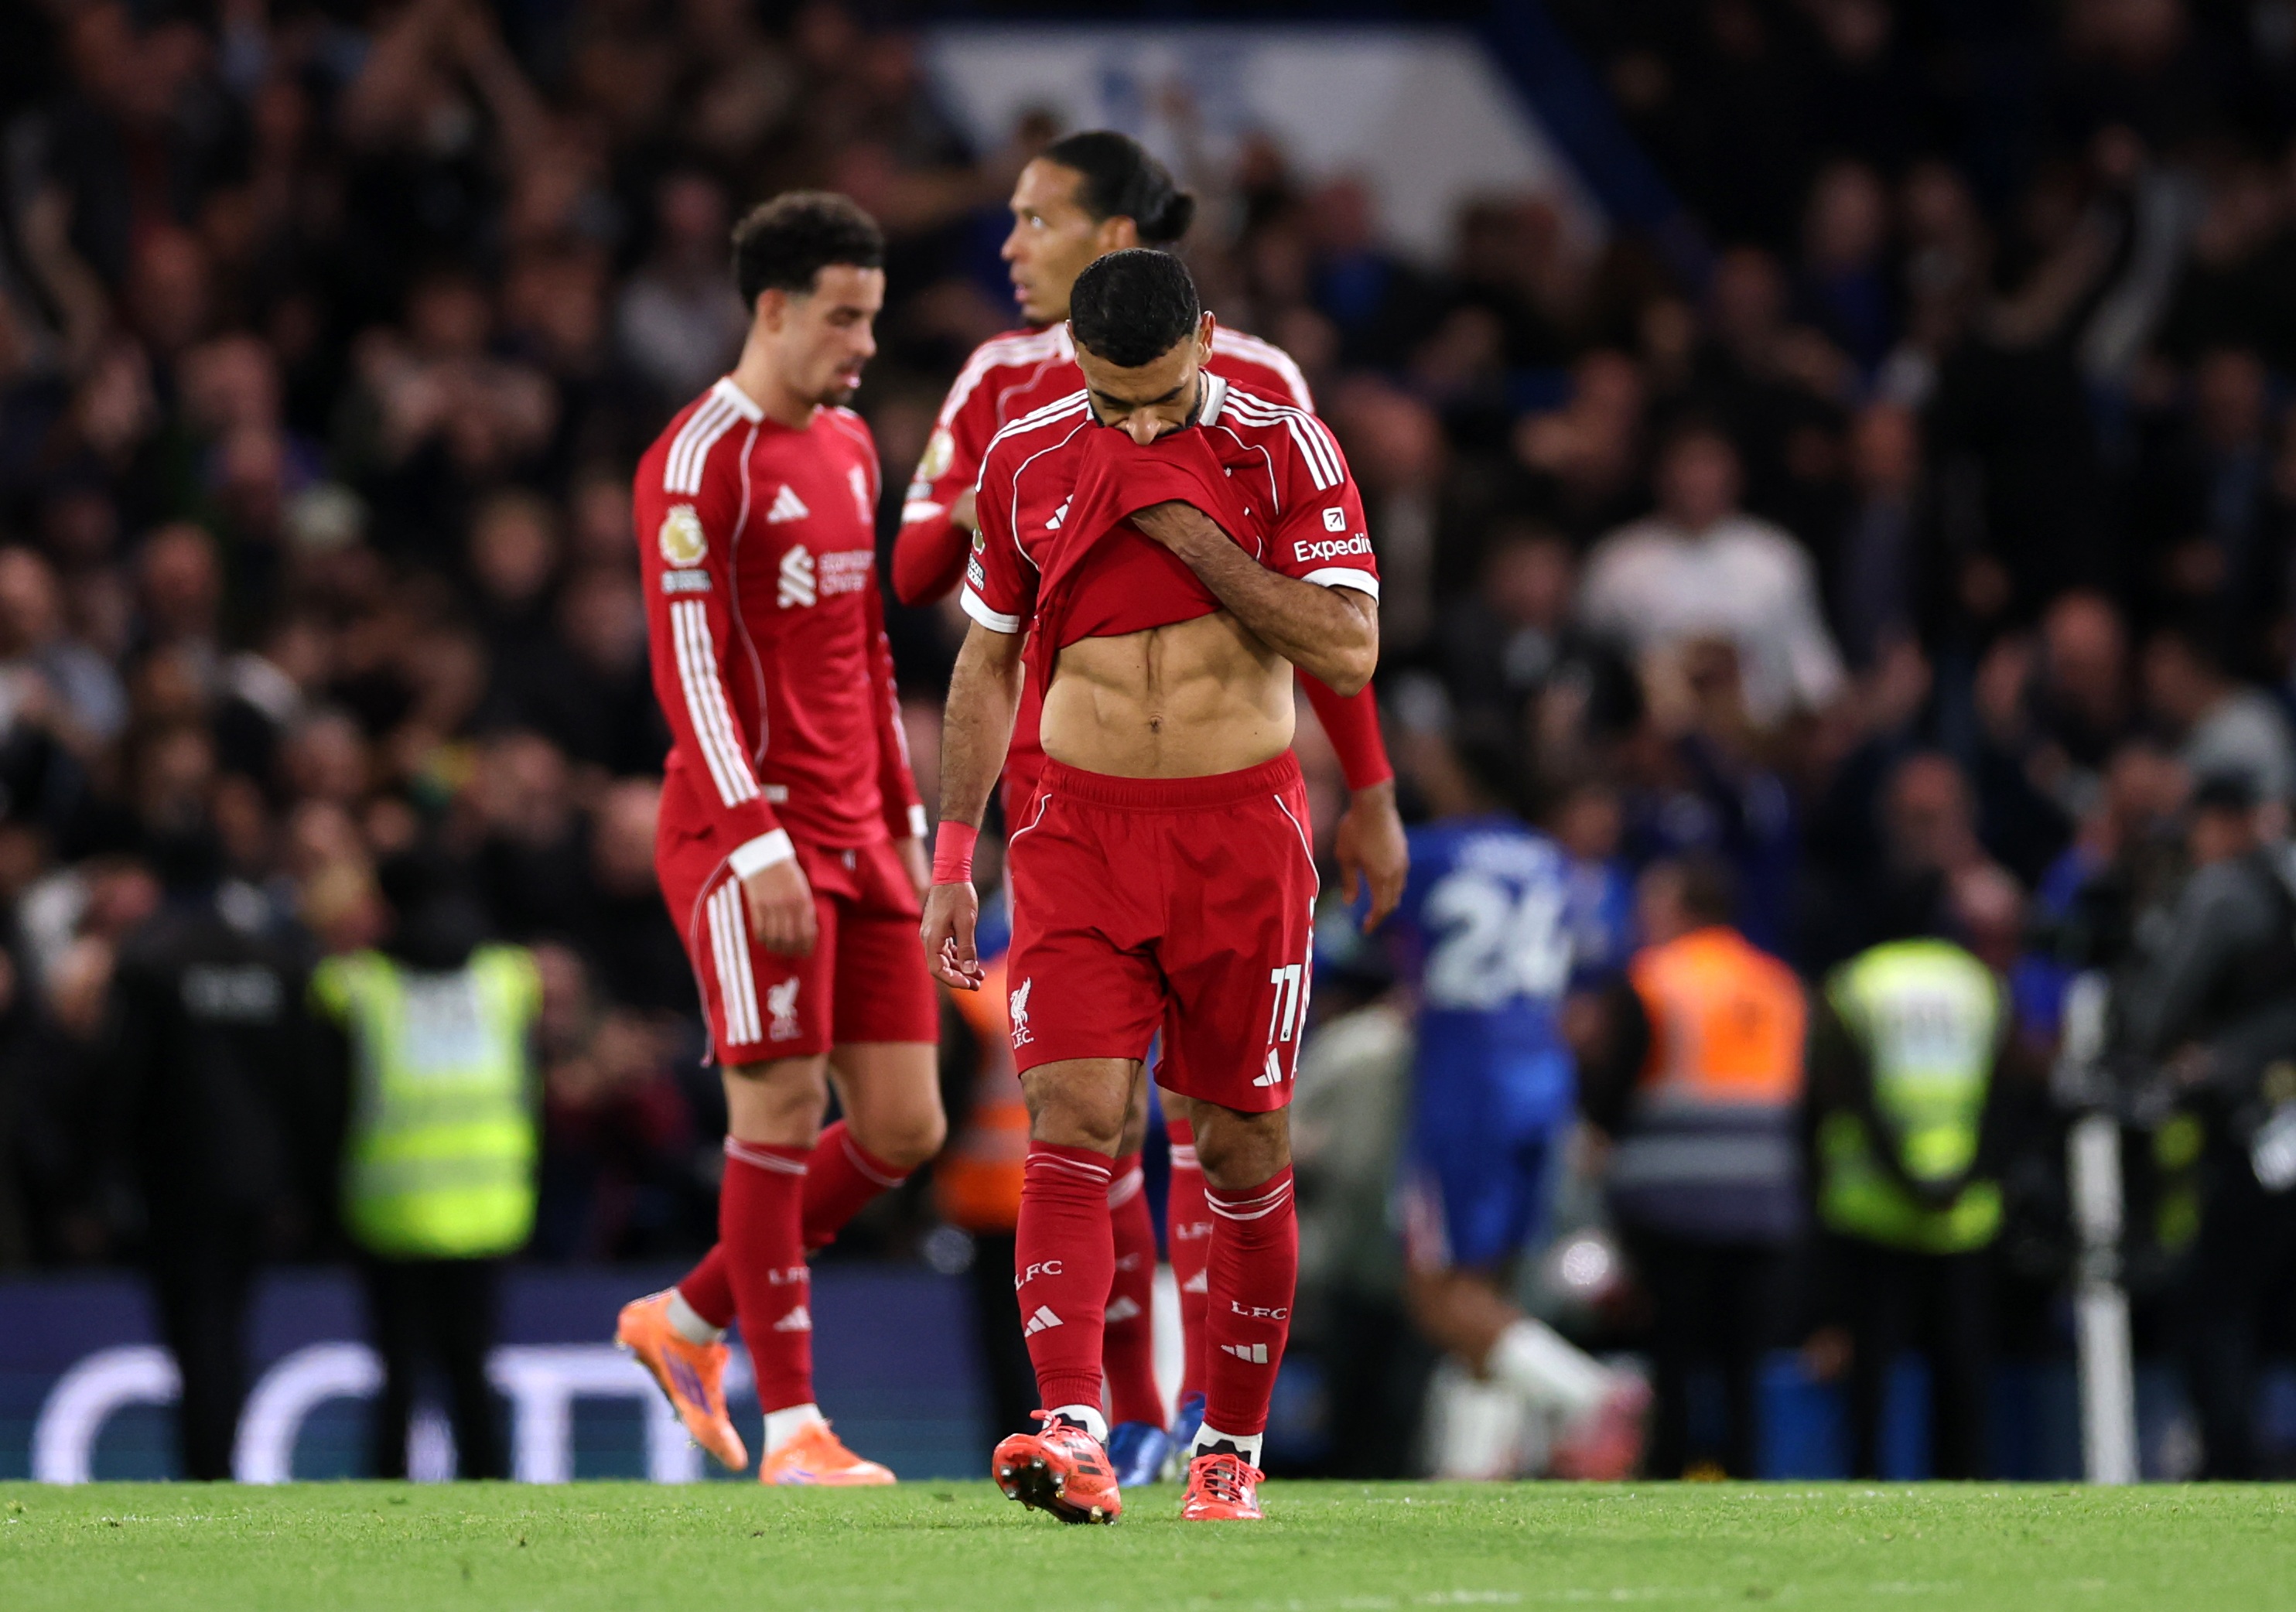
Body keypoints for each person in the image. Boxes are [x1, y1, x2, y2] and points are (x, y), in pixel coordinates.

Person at [893, 129, 1409, 1483]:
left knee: (1238, 1138)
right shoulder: (1022, 453)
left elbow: (1346, 648)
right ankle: (1072, 1420)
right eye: (1109, 400)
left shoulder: (1282, 441)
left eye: (1159, 398)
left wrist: (1181, 523)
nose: (1132, 423)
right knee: (1072, 1116)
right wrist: (955, 854)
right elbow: (985, 656)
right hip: (1075, 833)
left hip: (1242, 834)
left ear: (1202, 348)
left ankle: (1226, 1444)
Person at [612, 193, 943, 1486]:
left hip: (862, 831)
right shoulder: (697, 458)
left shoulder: (854, 447)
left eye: (872, 314)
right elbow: (685, 660)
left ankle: (687, 1313)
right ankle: (795, 1428)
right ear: (771, 309)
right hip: (741, 830)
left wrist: (904, 824)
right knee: (784, 1101)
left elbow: (861, 647)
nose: (863, 343)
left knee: (903, 1125)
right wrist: (754, 840)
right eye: (842, 316)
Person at [1385, 732, 1649, 1479]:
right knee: (1486, 1288)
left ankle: (1590, 1393)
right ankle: (1470, 1477)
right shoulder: (1555, 863)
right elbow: (1597, 987)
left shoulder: (1429, 853)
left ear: (1464, 772)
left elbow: (1346, 937)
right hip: (1543, 1075)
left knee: (1433, 1292)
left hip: (1466, 1081)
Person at [311, 850, 542, 1481]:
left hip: (390, 1208)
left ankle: (386, 1507)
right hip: (492, 1206)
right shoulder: (509, 977)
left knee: (397, 1379)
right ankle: (494, 1504)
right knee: (473, 1373)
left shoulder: (354, 986)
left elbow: (326, 1105)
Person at [1579, 857, 1806, 1478]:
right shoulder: (1777, 983)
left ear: (1683, 909)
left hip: (1671, 1200)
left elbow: (1612, 1087)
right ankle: (1745, 1472)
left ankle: (1667, 1469)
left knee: (1673, 1352)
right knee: (1742, 1361)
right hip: (1762, 1200)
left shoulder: (1655, 980)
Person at [108, 824, 309, 1481]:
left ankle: (207, 1471)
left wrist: (106, 1180)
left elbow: (123, 1080)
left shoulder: (149, 963)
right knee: (229, 1327)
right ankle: (219, 1465)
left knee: (194, 1333)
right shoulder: (272, 960)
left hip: (177, 1180)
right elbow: (298, 1077)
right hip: (259, 1177)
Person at [2116, 774, 2296, 1477]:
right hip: (2278, 1115)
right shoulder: (2282, 884)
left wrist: (2210, 1057)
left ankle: (2231, 1462)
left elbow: (2155, 1010)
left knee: (2211, 1301)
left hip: (2257, 1124)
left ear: (2220, 823)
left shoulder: (2226, 891)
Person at [1803, 881, 2013, 1480]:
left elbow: (1844, 1095)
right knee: (1963, 1371)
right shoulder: (1982, 986)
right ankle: (1968, 1484)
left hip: (1876, 1206)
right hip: (1964, 1209)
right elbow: (2003, 1096)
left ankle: (1867, 1481)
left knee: (1870, 1371)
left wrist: (1901, 1177)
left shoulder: (1856, 985)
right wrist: (1965, 1177)